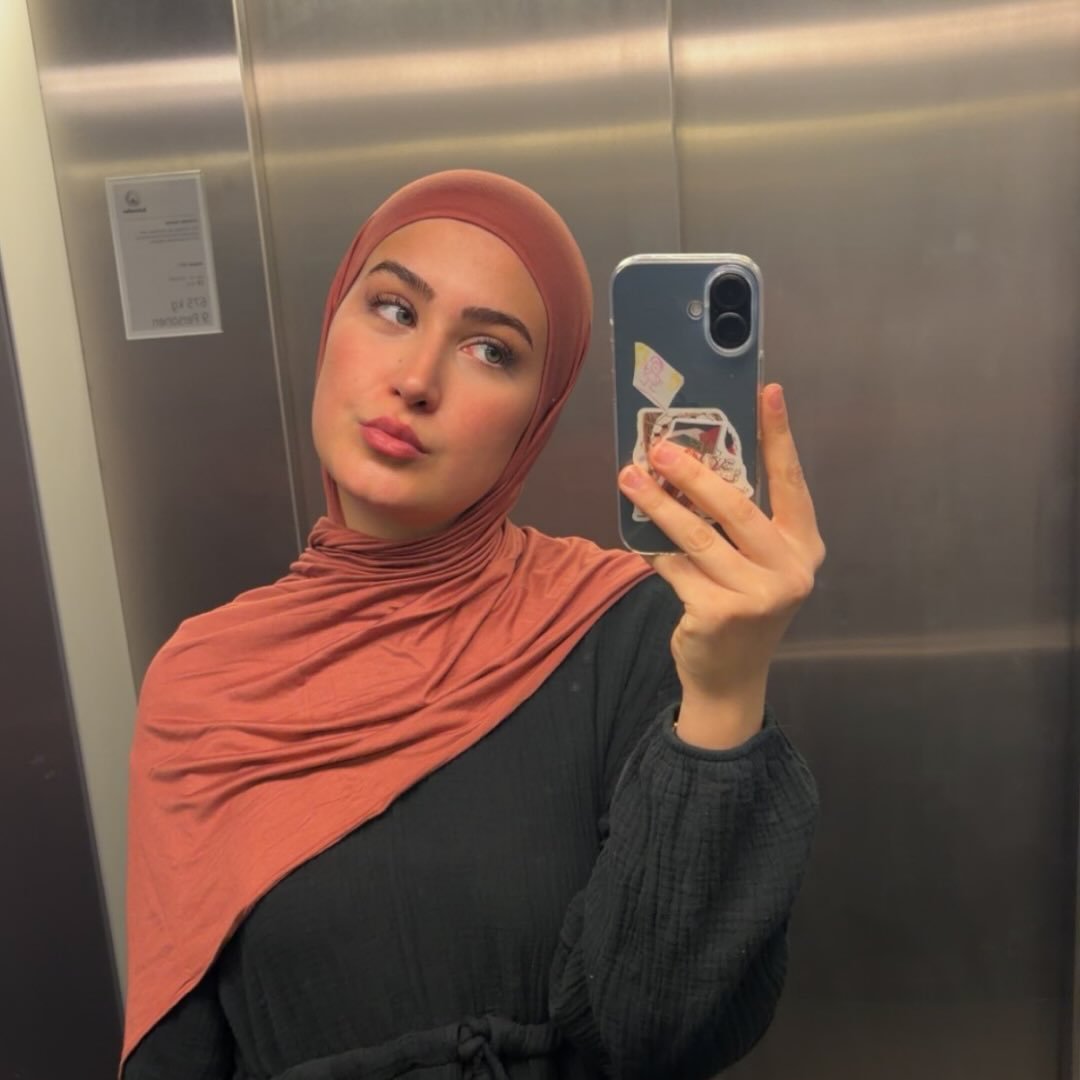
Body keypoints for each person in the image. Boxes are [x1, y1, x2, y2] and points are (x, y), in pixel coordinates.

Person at [120, 169, 823, 1080]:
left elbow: (657, 1034)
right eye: (393, 309)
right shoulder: (203, 679)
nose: (416, 380)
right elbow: (177, 1052)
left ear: (538, 415)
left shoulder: (622, 627)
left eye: (492, 350)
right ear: (332, 324)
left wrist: (726, 691)